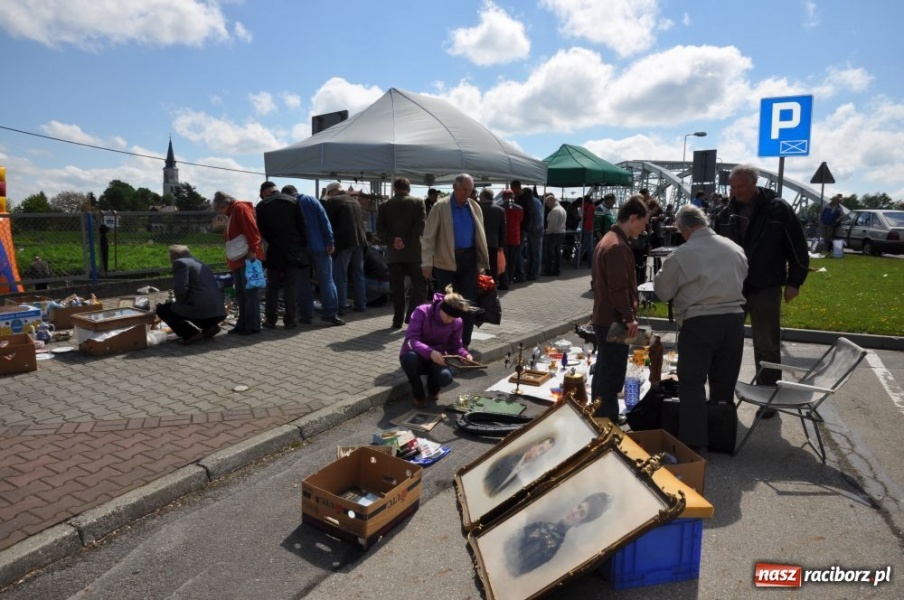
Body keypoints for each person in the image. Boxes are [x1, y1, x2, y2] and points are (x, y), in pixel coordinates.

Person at [715, 164, 810, 419]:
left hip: (766, 285)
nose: (735, 192)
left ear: (754, 184)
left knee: (767, 344)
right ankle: (722, 397)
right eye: (732, 187)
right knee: (727, 343)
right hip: (734, 286)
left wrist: (794, 282)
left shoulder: (778, 209)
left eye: (741, 187)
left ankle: (768, 398)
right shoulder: (725, 212)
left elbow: (797, 246)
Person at [653, 205, 748, 452]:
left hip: (700, 320)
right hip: (734, 319)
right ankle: (721, 434)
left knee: (692, 382)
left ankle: (695, 442)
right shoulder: (733, 247)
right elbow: (743, 276)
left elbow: (662, 292)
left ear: (683, 228)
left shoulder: (683, 253)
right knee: (724, 380)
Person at [591, 196, 649, 421]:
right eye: (643, 223)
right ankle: (607, 421)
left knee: (605, 369)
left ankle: (599, 414)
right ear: (633, 218)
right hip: (614, 320)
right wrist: (629, 318)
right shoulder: (618, 246)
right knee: (611, 375)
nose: (644, 229)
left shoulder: (609, 239)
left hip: (605, 317)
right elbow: (619, 289)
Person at [421, 173, 489, 347]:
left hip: (469, 259)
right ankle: (443, 341)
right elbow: (428, 237)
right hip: (445, 262)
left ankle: (463, 343)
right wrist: (427, 262)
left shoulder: (475, 206)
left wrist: (482, 262)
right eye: (464, 189)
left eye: (470, 189)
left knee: (468, 303)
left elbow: (480, 236)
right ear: (454, 186)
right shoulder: (440, 207)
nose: (468, 193)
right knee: (448, 303)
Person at [399, 286, 475, 408]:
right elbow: (411, 340)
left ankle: (433, 387)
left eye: (453, 318)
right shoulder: (422, 311)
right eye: (448, 316)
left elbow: (455, 346)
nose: (450, 321)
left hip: (438, 357)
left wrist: (465, 354)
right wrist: (430, 352)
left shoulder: (457, 321)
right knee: (410, 359)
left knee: (445, 377)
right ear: (441, 308)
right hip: (416, 355)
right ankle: (416, 388)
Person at [505, 492, 611, 577]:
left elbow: (513, 566)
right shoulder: (546, 525)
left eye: (581, 513)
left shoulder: (550, 544)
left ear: (580, 523)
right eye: (578, 507)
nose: (575, 512)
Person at [283, 185, 344, 327]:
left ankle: (305, 316)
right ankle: (330, 314)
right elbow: (324, 221)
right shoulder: (311, 200)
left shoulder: (288, 204)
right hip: (320, 246)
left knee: (303, 283)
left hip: (300, 250)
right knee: (327, 280)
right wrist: (330, 241)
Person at [376, 177, 427, 329]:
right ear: (409, 188)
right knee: (420, 286)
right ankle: (412, 316)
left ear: (394, 189)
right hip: (414, 253)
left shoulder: (384, 206)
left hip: (394, 254)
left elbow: (379, 230)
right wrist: (406, 240)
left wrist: (393, 241)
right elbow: (420, 225)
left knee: (397, 288)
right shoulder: (418, 202)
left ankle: (397, 320)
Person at [256, 181, 308, 329]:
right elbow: (302, 225)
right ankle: (290, 320)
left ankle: (270, 319)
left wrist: (272, 240)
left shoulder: (261, 206)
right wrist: (302, 245)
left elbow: (262, 230)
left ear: (265, 192)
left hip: (274, 249)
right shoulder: (293, 201)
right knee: (290, 286)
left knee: (272, 286)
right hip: (292, 249)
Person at [213, 191, 264, 336]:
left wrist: (253, 250)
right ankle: (242, 323)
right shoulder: (234, 211)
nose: (220, 213)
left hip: (247, 258)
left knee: (250, 293)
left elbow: (252, 231)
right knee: (241, 294)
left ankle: (252, 325)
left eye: (220, 209)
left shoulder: (240, 209)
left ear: (224, 204)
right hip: (239, 259)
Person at [155, 245, 226, 345]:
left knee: (163, 310)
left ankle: (190, 334)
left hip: (200, 306)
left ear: (173, 256)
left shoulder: (179, 263)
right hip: (217, 309)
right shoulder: (200, 263)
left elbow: (181, 289)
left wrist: (178, 304)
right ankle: (209, 327)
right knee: (189, 307)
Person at [323, 181, 368, 315]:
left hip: (343, 243)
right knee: (358, 274)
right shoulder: (355, 201)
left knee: (340, 276)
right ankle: (361, 304)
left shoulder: (333, 202)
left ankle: (340, 306)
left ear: (331, 192)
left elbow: (327, 224)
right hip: (360, 242)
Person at [483, 436, 556, 498]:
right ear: (535, 446)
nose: (539, 454)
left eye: (543, 453)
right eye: (541, 449)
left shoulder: (529, 476)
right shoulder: (509, 458)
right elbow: (489, 472)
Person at [478, 188, 506, 288]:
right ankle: (492, 287)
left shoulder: (478, 209)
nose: (479, 198)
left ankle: (482, 287)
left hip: (479, 242)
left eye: (480, 196)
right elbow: (502, 229)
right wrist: (501, 244)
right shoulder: (500, 210)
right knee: (493, 267)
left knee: (480, 266)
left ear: (484, 196)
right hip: (494, 243)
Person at [501, 189, 524, 286]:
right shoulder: (519, 208)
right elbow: (520, 220)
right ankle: (510, 278)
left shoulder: (500, 208)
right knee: (512, 260)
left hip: (505, 238)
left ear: (503, 197)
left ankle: (504, 279)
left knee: (504, 260)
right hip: (515, 238)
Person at [543, 194, 566, 276]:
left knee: (550, 253)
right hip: (561, 233)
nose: (547, 205)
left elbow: (552, 225)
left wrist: (547, 232)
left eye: (547, 203)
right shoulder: (562, 209)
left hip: (553, 234)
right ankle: (557, 270)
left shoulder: (555, 211)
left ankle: (548, 271)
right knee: (557, 253)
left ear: (551, 201)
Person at [578, 195, 596, 267]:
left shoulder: (583, 206)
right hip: (590, 226)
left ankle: (590, 262)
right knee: (587, 246)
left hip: (585, 226)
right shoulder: (592, 207)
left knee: (588, 246)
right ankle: (577, 260)